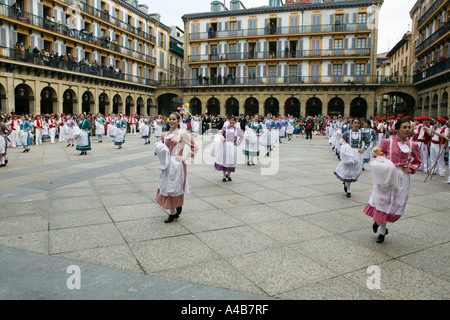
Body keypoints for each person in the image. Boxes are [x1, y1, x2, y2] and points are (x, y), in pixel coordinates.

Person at [363, 118, 422, 243]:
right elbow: (376, 156)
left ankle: (379, 221)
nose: (407, 130)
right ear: (396, 130)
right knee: (382, 200)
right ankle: (382, 232)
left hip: (402, 176)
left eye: (408, 127)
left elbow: (418, 161)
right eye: (404, 127)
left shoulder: (413, 145)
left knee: (396, 201)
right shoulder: (386, 142)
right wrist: (379, 164)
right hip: (387, 174)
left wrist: (412, 168)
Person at [154, 112, 198, 223]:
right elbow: (161, 148)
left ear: (179, 121)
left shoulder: (183, 134)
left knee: (174, 187)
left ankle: (174, 210)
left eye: (174, 119)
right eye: (170, 119)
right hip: (166, 165)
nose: (171, 121)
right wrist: (158, 151)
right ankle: (174, 211)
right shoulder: (165, 135)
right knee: (166, 186)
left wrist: (185, 157)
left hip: (177, 165)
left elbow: (195, 147)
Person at [334, 118, 371, 198]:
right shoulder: (347, 133)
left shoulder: (363, 133)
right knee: (348, 171)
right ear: (352, 124)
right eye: (355, 122)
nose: (356, 124)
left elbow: (368, 142)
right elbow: (342, 141)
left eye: (358, 123)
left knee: (357, 171)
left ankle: (346, 183)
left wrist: (363, 148)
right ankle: (348, 190)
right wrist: (345, 148)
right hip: (349, 154)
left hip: (358, 154)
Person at [213, 116, 244, 182]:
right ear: (228, 121)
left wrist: (238, 142)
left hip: (233, 146)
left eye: (233, 120)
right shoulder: (225, 128)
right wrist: (220, 134)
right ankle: (224, 176)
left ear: (235, 122)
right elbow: (221, 132)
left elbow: (242, 136)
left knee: (232, 160)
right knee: (224, 160)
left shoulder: (237, 129)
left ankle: (229, 175)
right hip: (225, 145)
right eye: (230, 120)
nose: (231, 121)